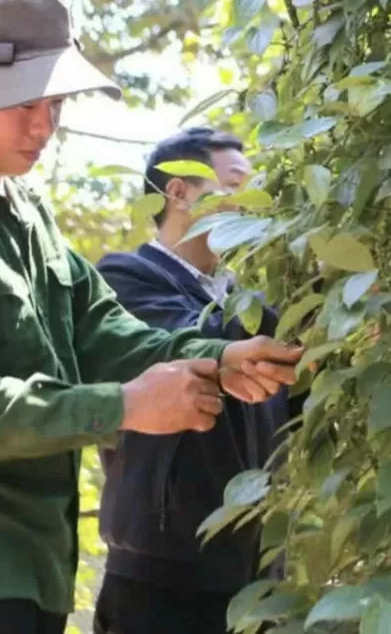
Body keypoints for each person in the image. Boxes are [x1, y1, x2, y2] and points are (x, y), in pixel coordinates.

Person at [0, 0, 303, 634]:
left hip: (30, 567)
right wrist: (126, 405)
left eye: (55, 101)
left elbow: (104, 330)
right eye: (23, 100)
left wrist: (220, 357)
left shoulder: (22, 212)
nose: (44, 123)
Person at [91, 127, 300, 634]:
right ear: (178, 192)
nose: (252, 203)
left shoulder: (256, 302)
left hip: (257, 580)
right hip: (162, 574)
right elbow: (201, 344)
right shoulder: (123, 279)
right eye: (235, 185)